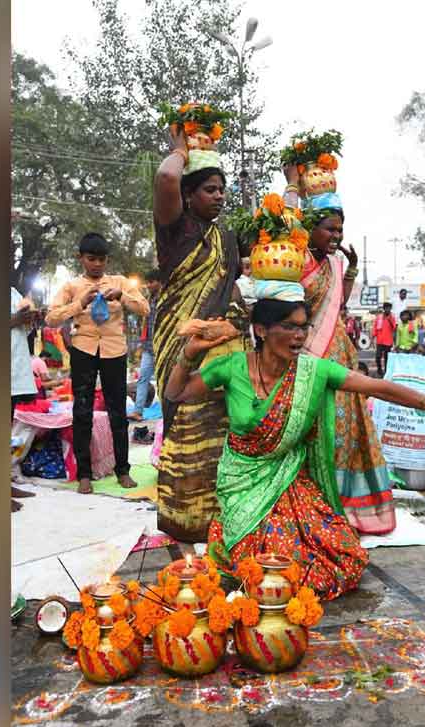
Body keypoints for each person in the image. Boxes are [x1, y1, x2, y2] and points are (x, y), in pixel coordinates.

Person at [163, 297, 425, 600]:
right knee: (265, 565)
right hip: (240, 479)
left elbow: (381, 388)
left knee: (340, 555)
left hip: (288, 477)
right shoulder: (232, 367)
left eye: (304, 327)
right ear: (261, 330)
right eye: (289, 326)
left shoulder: (314, 372)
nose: (300, 335)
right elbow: (176, 393)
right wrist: (190, 354)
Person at [150, 121, 246, 541]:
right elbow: (167, 176)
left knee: (220, 430)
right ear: (188, 195)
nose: (220, 196)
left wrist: (235, 323)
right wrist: (181, 147)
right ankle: (184, 519)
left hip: (223, 346)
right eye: (210, 189)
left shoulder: (226, 237)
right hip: (179, 340)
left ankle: (219, 516)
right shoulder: (175, 228)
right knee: (184, 422)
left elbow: (234, 286)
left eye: (222, 189)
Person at [287, 179, 398, 535]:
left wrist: (349, 269)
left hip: (338, 352)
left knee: (344, 432)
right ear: (310, 228)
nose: (336, 236)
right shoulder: (296, 260)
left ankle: (342, 501)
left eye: (340, 229)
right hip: (302, 352)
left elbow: (339, 303)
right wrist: (292, 183)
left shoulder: (334, 263)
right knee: (309, 430)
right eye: (329, 229)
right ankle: (308, 501)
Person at [45, 233, 149, 494]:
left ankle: (123, 470)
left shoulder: (120, 282)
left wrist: (122, 296)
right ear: (81, 258)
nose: (96, 264)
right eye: (91, 259)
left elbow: (144, 308)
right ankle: (84, 474)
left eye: (101, 259)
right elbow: (51, 318)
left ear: (107, 260)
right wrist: (79, 303)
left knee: (117, 412)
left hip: (115, 350)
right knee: (82, 412)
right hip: (83, 349)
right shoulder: (71, 286)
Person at [10, 285, 40, 510]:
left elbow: (24, 329)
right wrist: (14, 319)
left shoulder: (12, 292)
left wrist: (31, 319)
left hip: (14, 367)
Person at [128, 268, 162, 420]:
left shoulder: (166, 299)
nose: (148, 285)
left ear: (160, 282)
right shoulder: (148, 299)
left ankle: (168, 412)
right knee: (143, 378)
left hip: (163, 346)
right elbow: (145, 322)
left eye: (151, 282)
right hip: (149, 347)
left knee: (164, 380)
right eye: (147, 282)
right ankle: (138, 411)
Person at [372, 302, 396, 376]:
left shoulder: (392, 317)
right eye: (386, 308)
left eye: (389, 308)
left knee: (387, 358)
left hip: (388, 341)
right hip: (380, 341)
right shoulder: (379, 317)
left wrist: (389, 319)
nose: (387, 309)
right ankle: (379, 369)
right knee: (378, 357)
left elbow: (394, 327)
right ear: (384, 308)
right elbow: (375, 327)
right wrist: (373, 336)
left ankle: (386, 371)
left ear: (390, 309)